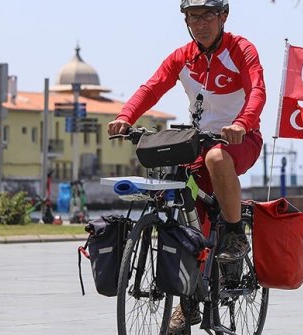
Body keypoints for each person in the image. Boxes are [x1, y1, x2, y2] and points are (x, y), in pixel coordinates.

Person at [107, 1, 265, 332]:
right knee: (184, 204)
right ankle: (189, 299)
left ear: (223, 17)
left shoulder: (240, 50)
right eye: (193, 16)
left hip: (240, 140)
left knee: (216, 158)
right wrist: (126, 116)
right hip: (196, 142)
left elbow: (257, 91)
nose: (200, 22)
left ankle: (235, 235)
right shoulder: (183, 56)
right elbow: (152, 87)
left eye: (207, 15)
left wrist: (242, 122)